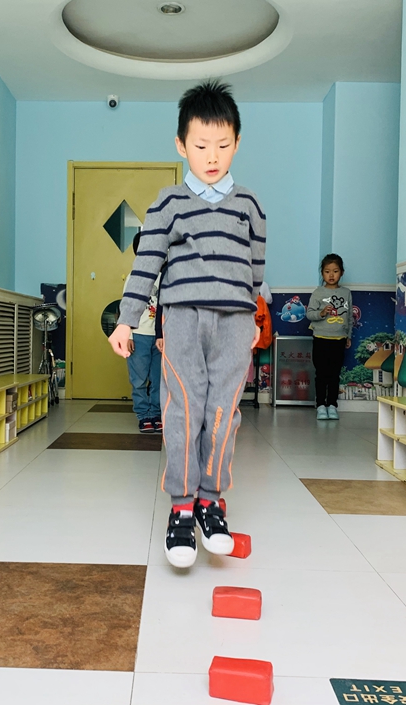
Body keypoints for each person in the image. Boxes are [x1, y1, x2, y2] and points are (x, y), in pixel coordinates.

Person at [107, 80, 266, 569]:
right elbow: (146, 266)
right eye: (200, 146)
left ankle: (210, 501)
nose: (211, 156)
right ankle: (181, 506)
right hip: (181, 319)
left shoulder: (249, 206)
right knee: (183, 410)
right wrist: (126, 320)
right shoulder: (168, 204)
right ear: (181, 145)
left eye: (222, 144)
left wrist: (252, 315)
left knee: (223, 413)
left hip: (235, 322)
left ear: (237, 142)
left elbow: (255, 269)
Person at [125, 232, 163, 434]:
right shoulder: (134, 276)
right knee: (138, 379)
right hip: (138, 334)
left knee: (159, 379)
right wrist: (128, 335)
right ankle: (143, 415)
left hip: (160, 336)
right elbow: (127, 307)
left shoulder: (165, 276)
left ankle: (156, 413)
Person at [306, 254, 353, 421]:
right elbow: (309, 314)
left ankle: (332, 405)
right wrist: (321, 313)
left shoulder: (346, 293)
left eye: (335, 271)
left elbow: (349, 318)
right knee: (321, 374)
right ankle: (320, 405)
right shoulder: (318, 292)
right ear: (322, 273)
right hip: (320, 338)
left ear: (342, 272)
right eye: (327, 271)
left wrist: (348, 336)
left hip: (339, 340)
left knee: (334, 374)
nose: (331, 275)